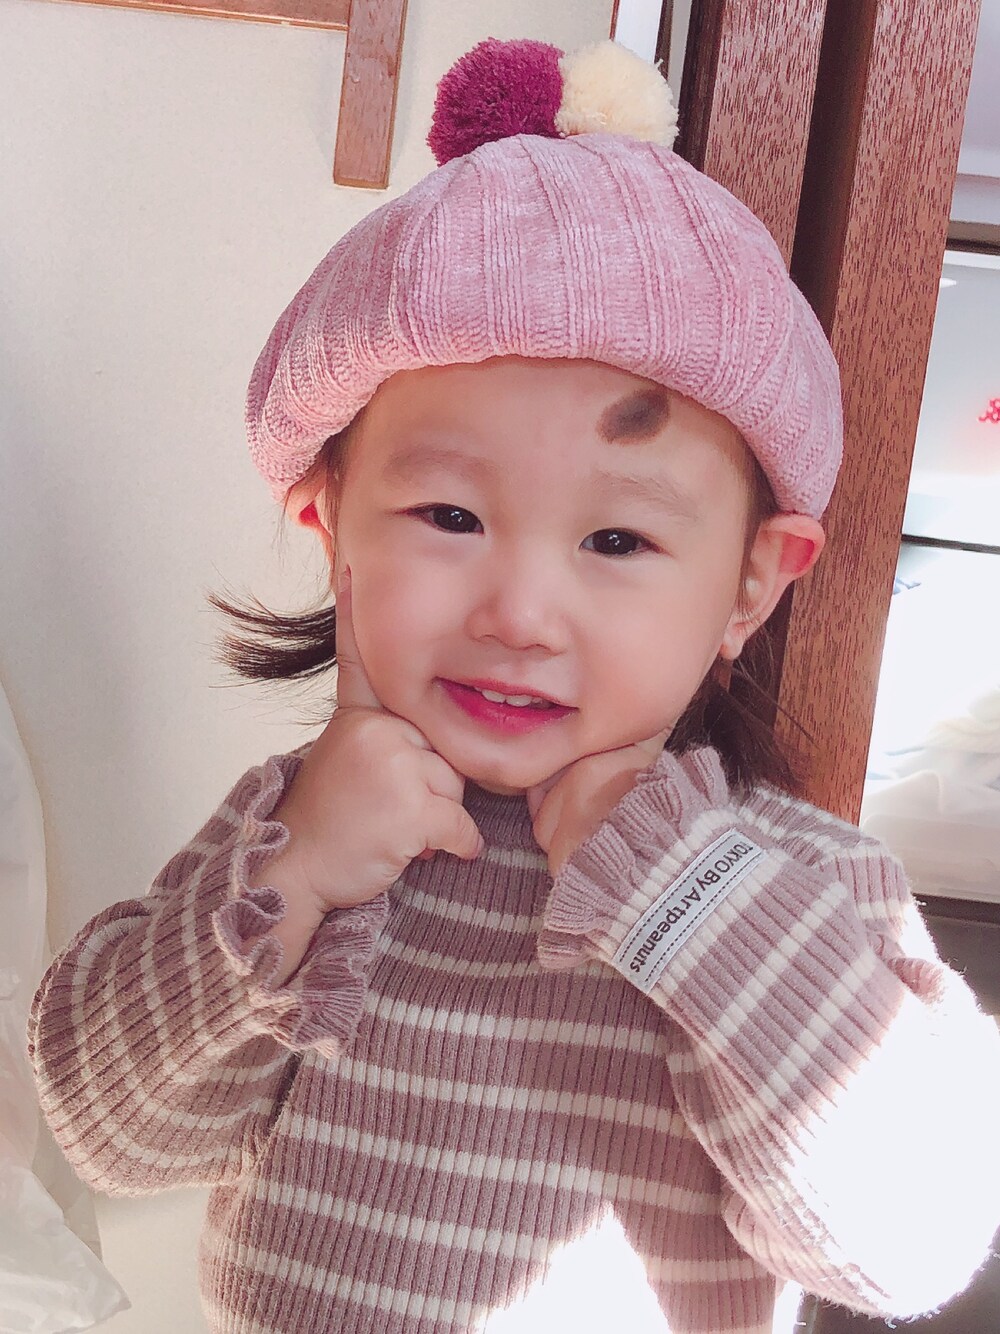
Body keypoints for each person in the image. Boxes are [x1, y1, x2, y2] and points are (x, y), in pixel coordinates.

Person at [28, 36, 1000, 1334]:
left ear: (752, 584)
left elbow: (910, 1242)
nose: (520, 613)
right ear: (331, 528)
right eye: (449, 515)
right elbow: (108, 1133)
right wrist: (295, 874)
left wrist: (688, 893)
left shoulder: (801, 884)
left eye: (619, 540)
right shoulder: (300, 834)